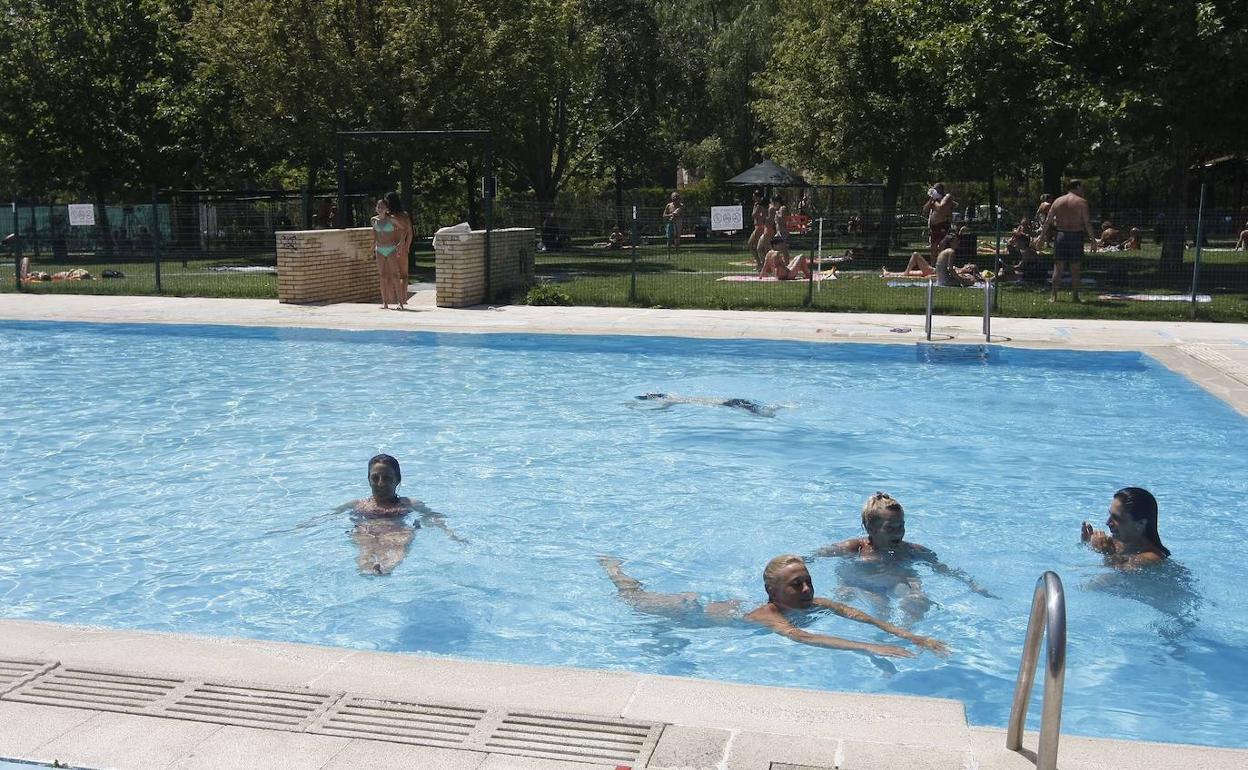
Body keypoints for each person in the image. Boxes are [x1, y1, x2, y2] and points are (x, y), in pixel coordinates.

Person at [598, 554, 947, 658]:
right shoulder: (771, 616)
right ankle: (613, 567)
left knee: (638, 596)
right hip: (688, 613)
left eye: (808, 580)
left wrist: (911, 637)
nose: (808, 589)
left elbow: (855, 613)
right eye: (797, 585)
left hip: (714, 606)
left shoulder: (813, 602)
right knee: (634, 598)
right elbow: (804, 639)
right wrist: (873, 648)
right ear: (772, 592)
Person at [812, 493, 997, 618]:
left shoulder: (911, 550)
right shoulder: (855, 548)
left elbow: (942, 568)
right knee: (879, 607)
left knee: (919, 601)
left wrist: (973, 584)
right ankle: (881, 640)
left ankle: (907, 636)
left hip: (894, 584)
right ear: (870, 528)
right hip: (861, 585)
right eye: (890, 528)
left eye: (901, 526)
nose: (898, 533)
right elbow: (815, 555)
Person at [276, 454, 465, 575]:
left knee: (396, 548)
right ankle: (368, 570)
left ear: (397, 480)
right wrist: (296, 529)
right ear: (368, 479)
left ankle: (384, 569)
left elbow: (434, 516)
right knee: (365, 551)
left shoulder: (409, 503)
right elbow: (328, 517)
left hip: (396, 530)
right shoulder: (357, 504)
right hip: (366, 530)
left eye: (387, 478)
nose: (380, 483)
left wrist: (451, 533)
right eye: (375, 477)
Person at [1034, 179, 1096, 303]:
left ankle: (1054, 297)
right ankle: (1075, 297)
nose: (1082, 190)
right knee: (1075, 268)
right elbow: (1087, 222)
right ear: (1077, 187)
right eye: (1081, 187)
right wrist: (1093, 240)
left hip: (1061, 235)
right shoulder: (1081, 202)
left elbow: (1048, 221)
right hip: (1076, 235)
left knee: (1058, 267)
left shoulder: (1058, 201)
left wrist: (1040, 237)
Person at [1081, 487, 1170, 571]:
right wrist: (1088, 543)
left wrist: (1107, 552)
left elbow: (1117, 574)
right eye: (1110, 515)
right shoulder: (1119, 542)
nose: (1108, 523)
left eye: (1116, 518)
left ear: (1141, 523)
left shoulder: (1152, 558)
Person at [371, 192, 412, 310]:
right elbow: (375, 234)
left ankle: (400, 301)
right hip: (381, 249)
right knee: (383, 276)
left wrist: (401, 244)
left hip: (392, 248)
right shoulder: (374, 220)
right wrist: (373, 246)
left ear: (387, 207)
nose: (380, 209)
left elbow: (405, 230)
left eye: (382, 207)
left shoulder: (393, 218)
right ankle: (386, 302)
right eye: (378, 207)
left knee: (396, 275)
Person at [632, 392, 776, 417]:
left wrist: (636, 408)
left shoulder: (671, 400)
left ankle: (771, 410)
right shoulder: (675, 396)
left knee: (762, 414)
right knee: (757, 409)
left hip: (726, 404)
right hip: (729, 401)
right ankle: (776, 407)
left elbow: (660, 409)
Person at [922, 183, 955, 263]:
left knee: (942, 246)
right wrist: (931, 200)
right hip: (934, 227)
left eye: (936, 189)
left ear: (941, 189)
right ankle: (933, 265)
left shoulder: (946, 197)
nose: (934, 191)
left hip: (943, 224)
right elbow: (925, 210)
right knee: (933, 247)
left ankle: (941, 265)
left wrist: (934, 202)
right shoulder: (933, 200)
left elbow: (940, 208)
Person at [747, 190, 767, 267]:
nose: (753, 197)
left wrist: (756, 207)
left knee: (752, 245)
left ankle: (762, 264)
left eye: (754, 196)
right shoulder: (757, 205)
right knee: (756, 246)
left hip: (759, 227)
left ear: (757, 197)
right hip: (757, 226)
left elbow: (754, 215)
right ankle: (760, 263)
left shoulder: (759, 206)